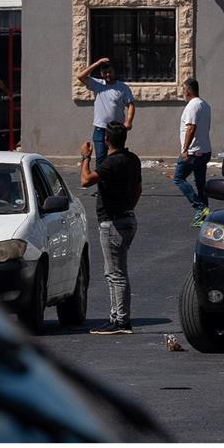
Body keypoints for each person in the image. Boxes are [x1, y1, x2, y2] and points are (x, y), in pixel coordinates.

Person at [79, 122, 142, 336]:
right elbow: (138, 188)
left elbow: (85, 180)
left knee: (115, 274)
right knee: (116, 272)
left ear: (107, 140)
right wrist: (128, 207)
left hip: (113, 223)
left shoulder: (110, 163)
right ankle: (117, 317)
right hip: (127, 219)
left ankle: (121, 321)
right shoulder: (132, 159)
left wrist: (85, 157)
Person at [76, 57, 136, 167]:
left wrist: (129, 121)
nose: (107, 75)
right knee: (101, 159)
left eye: (110, 72)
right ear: (101, 73)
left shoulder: (122, 87)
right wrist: (98, 63)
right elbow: (80, 76)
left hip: (116, 129)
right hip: (100, 129)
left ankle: (116, 180)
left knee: (118, 158)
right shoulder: (97, 84)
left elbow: (131, 105)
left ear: (114, 72)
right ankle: (102, 182)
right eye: (105, 73)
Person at [174, 78, 213, 228]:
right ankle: (205, 214)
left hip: (192, 152)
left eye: (183, 90)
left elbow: (191, 128)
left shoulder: (192, 106)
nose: (183, 93)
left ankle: (200, 207)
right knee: (200, 182)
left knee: (178, 178)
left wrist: (185, 149)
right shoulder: (205, 105)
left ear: (188, 91)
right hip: (204, 150)